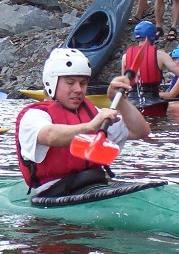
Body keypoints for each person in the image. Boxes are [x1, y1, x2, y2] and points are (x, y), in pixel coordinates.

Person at [16, 48, 151, 196]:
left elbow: (140, 131)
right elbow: (50, 135)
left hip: (93, 185)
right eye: (70, 83)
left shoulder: (91, 112)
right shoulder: (33, 116)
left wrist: (118, 101)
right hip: (54, 194)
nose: (78, 89)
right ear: (51, 83)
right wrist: (91, 126)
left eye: (83, 83)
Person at [121, 22, 179, 110]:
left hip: (131, 105)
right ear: (153, 36)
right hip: (153, 104)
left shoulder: (125, 57)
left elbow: (123, 85)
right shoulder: (161, 56)